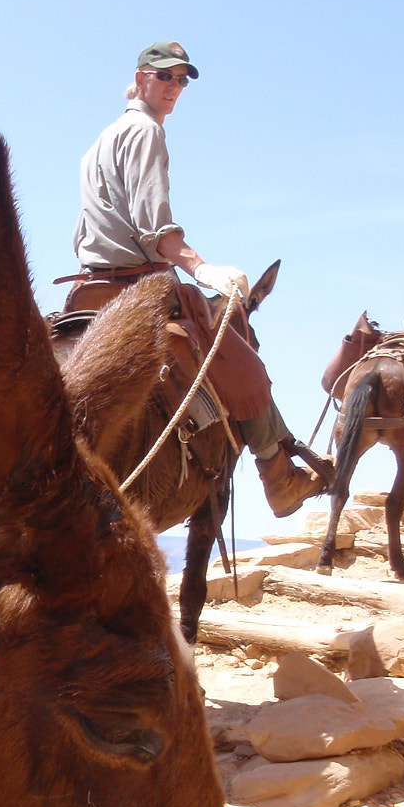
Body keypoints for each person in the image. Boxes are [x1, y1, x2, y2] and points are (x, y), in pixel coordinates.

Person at [70, 40, 330, 517]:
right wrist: (202, 268)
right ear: (141, 77)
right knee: (240, 361)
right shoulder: (146, 131)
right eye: (164, 76)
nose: (174, 86)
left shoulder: (99, 142)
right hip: (136, 287)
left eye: (181, 79)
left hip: (88, 289)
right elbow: (157, 228)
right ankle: (279, 477)